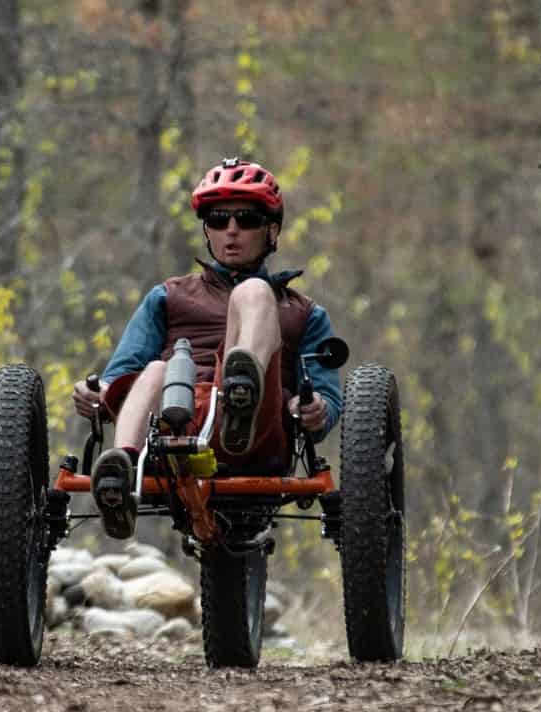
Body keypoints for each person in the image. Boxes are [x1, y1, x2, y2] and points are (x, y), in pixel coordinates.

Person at [72, 157, 344, 539]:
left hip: (255, 435)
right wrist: (99, 395)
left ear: (272, 231)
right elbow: (124, 370)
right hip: (174, 427)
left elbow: (328, 399)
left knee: (253, 292)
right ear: (207, 230)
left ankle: (241, 393)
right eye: (218, 220)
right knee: (155, 370)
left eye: (246, 220)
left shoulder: (303, 313)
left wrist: (315, 410)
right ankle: (122, 471)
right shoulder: (169, 296)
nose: (231, 231)